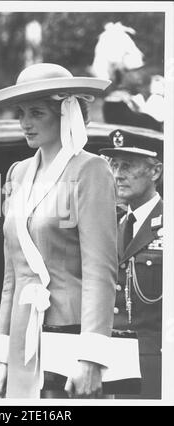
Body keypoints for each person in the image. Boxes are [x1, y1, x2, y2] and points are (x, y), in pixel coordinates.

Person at [0, 63, 118, 399]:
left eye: (36, 112)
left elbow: (100, 271)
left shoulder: (91, 170)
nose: (25, 122)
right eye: (21, 112)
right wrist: (2, 357)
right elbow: (13, 275)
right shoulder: (18, 173)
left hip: (71, 331)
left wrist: (92, 355)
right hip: (22, 333)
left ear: (65, 114)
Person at [99, 128, 163, 399]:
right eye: (114, 165)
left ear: (155, 172)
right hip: (113, 365)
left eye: (128, 165)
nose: (117, 174)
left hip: (156, 365)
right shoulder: (117, 225)